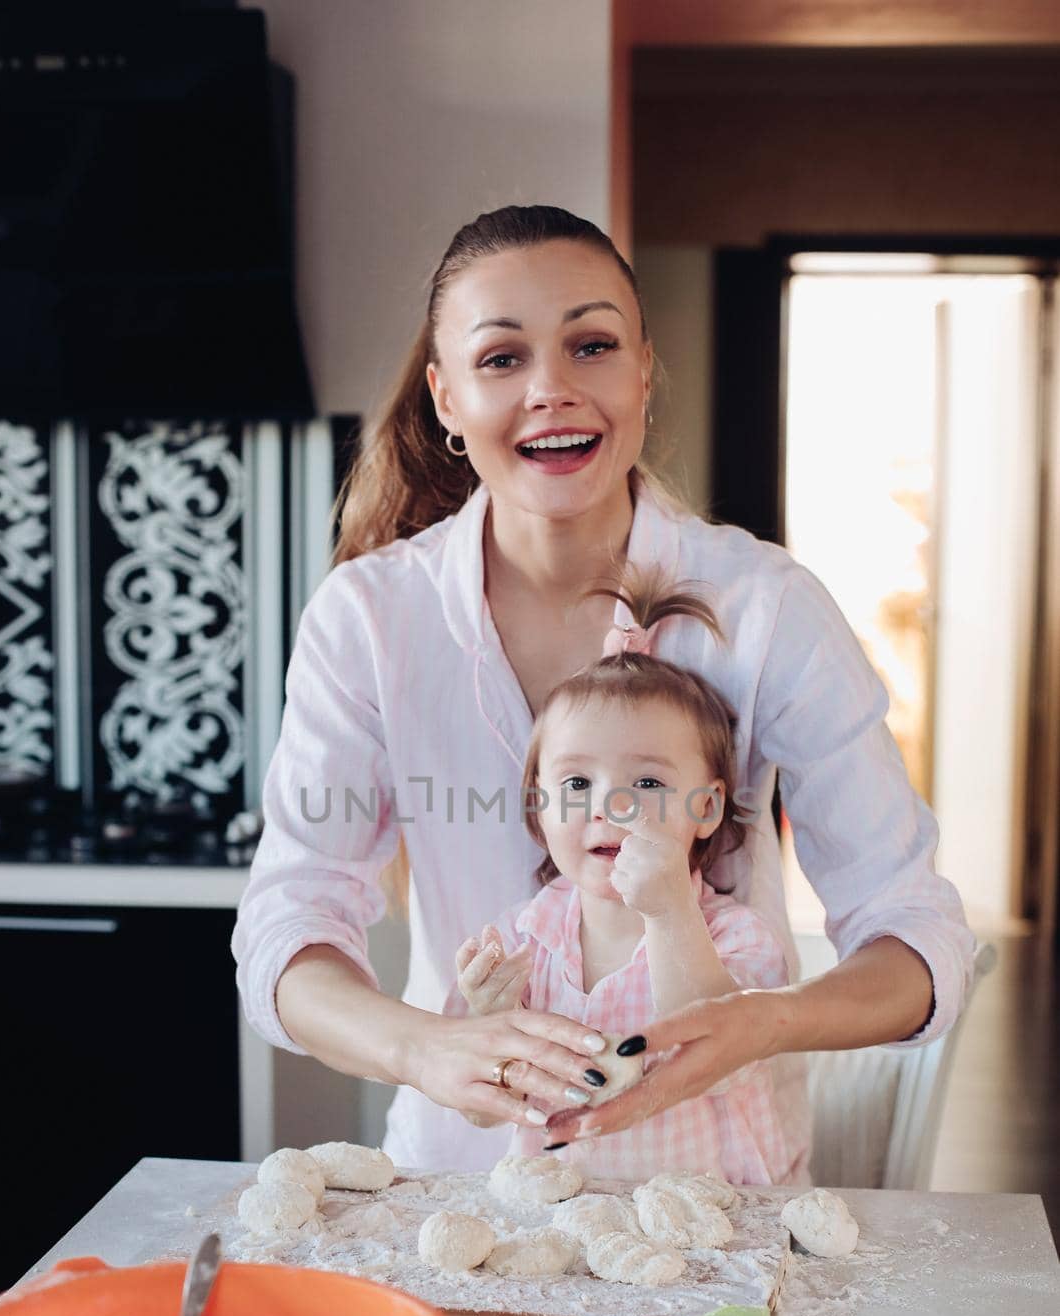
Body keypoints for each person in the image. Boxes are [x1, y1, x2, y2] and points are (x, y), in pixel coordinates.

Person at [231, 202, 975, 1179]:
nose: (550, 389)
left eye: (590, 345)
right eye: (501, 359)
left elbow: (911, 931)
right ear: (444, 397)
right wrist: (425, 1046)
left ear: (640, 373)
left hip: (715, 1195)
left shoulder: (766, 608)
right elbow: (287, 928)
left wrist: (755, 1022)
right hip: (457, 1187)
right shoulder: (367, 617)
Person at [445, 559, 792, 1183]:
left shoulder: (739, 940)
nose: (611, 805)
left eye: (649, 781)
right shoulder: (521, 939)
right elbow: (479, 1116)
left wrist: (668, 912)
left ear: (708, 808)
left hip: (706, 1228)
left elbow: (721, 1057)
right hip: (559, 1229)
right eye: (577, 781)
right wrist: (485, 1023)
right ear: (539, 806)